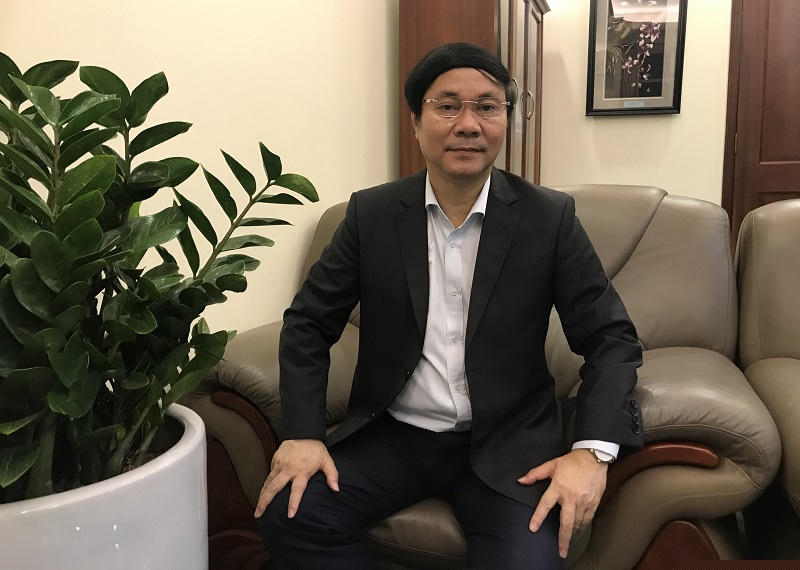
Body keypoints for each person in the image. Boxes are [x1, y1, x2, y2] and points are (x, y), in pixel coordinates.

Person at [255, 42, 643, 569]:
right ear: (416, 122)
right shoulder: (371, 215)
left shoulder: (548, 219)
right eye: (447, 106)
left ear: (506, 119)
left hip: (508, 443)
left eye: (487, 106)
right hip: (393, 436)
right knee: (289, 515)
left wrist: (591, 451)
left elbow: (610, 339)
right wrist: (302, 433)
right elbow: (307, 322)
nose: (468, 124)